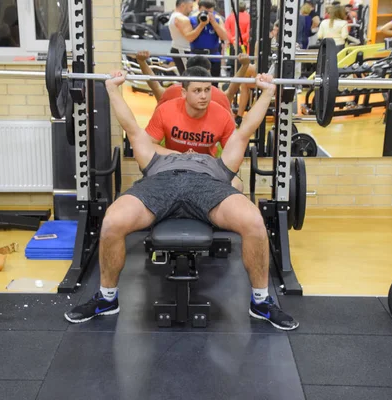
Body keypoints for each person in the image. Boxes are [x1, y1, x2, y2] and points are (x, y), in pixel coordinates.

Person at [64, 69, 299, 331]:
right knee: (111, 223)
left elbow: (245, 131)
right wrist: (111, 88)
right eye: (198, 90)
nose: (204, 95)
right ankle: (107, 299)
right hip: (160, 185)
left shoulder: (217, 164)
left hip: (208, 187)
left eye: (208, 90)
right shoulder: (157, 159)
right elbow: (131, 128)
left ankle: (261, 302)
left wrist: (267, 92)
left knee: (254, 222)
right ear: (184, 92)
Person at [134, 50, 252, 114]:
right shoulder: (173, 92)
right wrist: (245, 65)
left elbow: (154, 85)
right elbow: (232, 89)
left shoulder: (217, 95)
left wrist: (142, 62)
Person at [189, 0, 229, 84]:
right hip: (196, 56)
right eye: (205, 12)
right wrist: (201, 24)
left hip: (213, 56)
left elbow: (224, 37)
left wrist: (213, 22)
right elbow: (190, 38)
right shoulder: (192, 19)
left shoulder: (218, 20)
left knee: (213, 85)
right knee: (195, 83)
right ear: (199, 9)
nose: (207, 14)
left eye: (210, 12)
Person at [168, 0, 204, 75]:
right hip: (182, 50)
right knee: (188, 76)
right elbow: (190, 37)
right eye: (190, 7)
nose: (191, 9)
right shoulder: (181, 19)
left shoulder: (175, 16)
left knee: (189, 76)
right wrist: (202, 25)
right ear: (183, 6)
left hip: (181, 49)